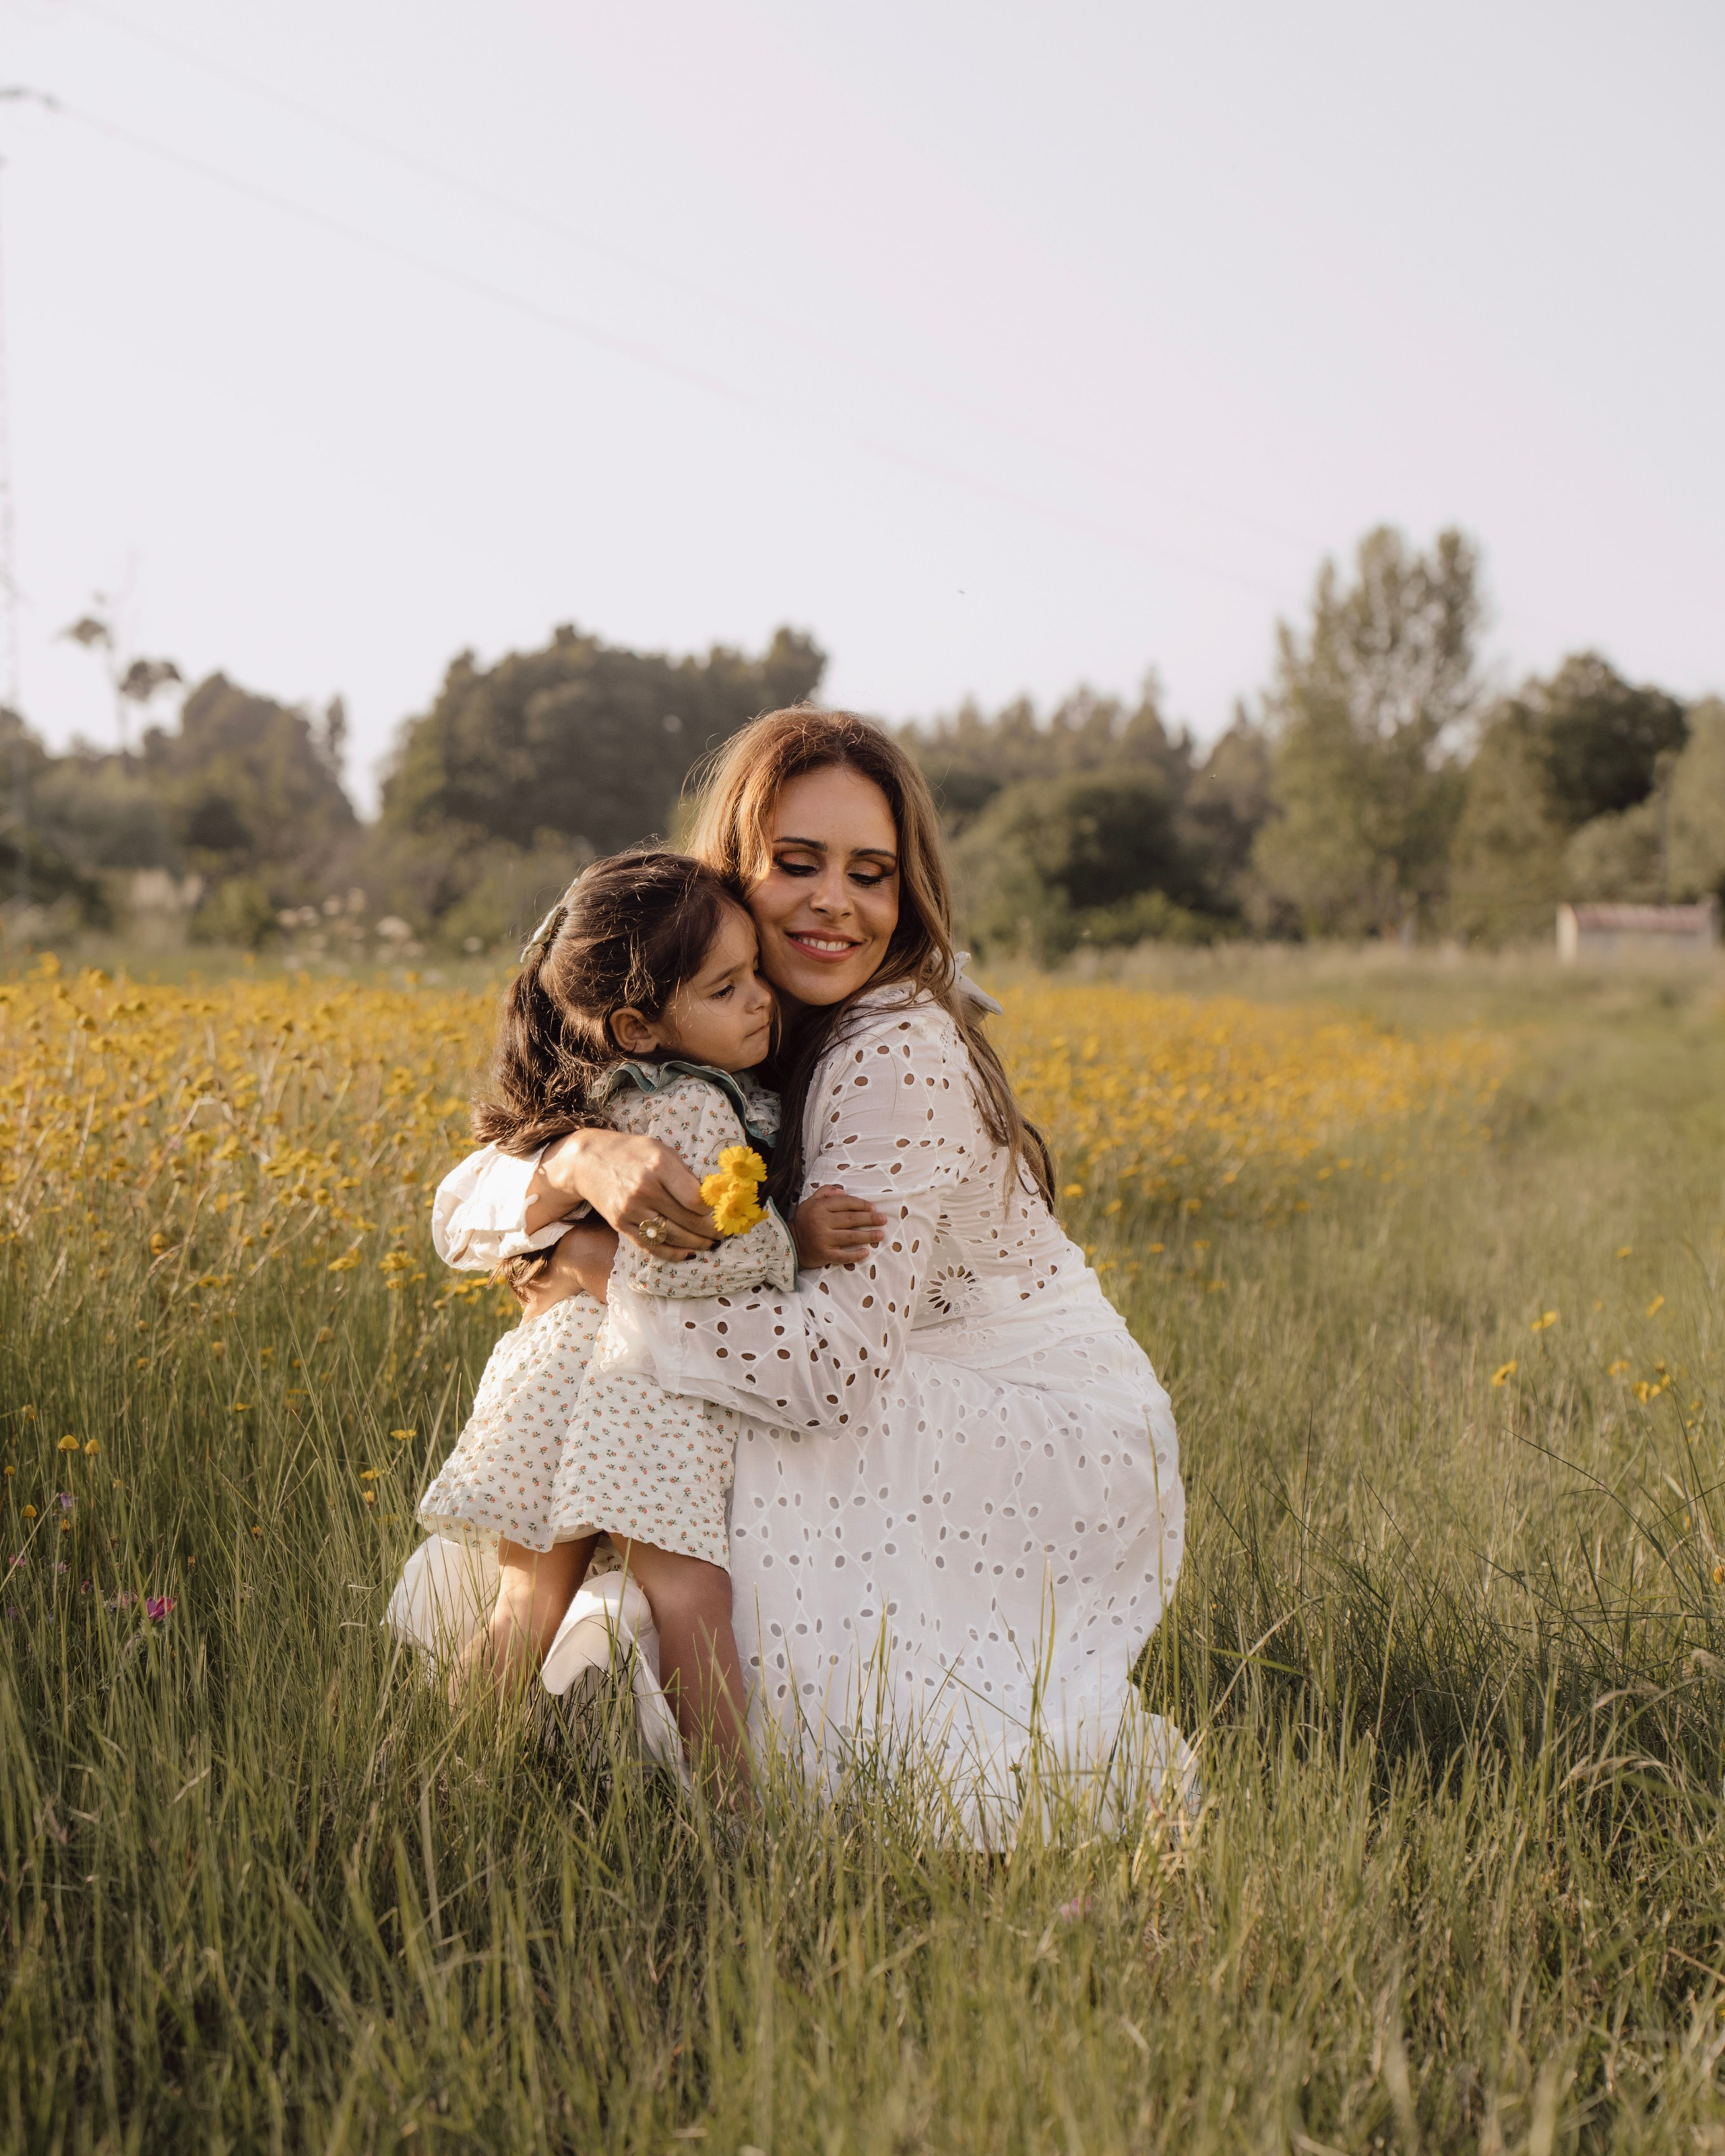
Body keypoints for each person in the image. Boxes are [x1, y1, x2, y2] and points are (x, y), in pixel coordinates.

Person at [433, 710, 1187, 1832]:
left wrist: (596, 1264)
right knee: (605, 1392)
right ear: (732, 866)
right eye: (797, 863)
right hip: (866, 1374)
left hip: (1023, 1422)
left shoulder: (892, 1048)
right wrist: (580, 1159)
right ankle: (524, 1724)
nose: (836, 901)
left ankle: (725, 1803)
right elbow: (458, 1212)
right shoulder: (722, 995)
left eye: (871, 873)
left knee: (644, 1389)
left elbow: (829, 1372)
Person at [414, 848, 871, 1781]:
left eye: (754, 976)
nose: (759, 1003)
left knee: (523, 1605)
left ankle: (439, 1778)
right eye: (727, 987)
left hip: (557, 1375)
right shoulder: (696, 1111)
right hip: (640, 1391)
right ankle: (735, 1821)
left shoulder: (609, 1091)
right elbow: (675, 1265)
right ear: (637, 1023)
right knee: (692, 1598)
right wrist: (795, 1241)